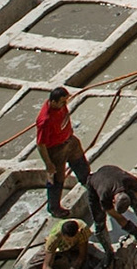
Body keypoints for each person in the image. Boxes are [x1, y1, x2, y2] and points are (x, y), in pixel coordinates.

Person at [37, 87, 93, 218]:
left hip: (70, 141)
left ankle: (89, 184)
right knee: (57, 179)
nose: (65, 104)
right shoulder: (45, 120)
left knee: (81, 165)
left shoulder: (61, 106)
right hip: (56, 150)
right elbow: (40, 144)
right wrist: (48, 163)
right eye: (62, 102)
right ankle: (54, 207)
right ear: (54, 102)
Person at [88, 165, 137, 251]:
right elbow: (119, 218)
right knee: (99, 221)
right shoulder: (104, 197)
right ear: (113, 201)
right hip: (94, 182)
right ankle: (109, 252)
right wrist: (135, 232)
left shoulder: (131, 181)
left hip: (111, 171)